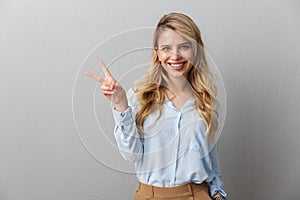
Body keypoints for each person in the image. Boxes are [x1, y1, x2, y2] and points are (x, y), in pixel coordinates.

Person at [86, 12, 227, 200]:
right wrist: (121, 106)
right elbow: (131, 154)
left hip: (198, 194)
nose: (175, 56)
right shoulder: (138, 97)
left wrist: (217, 193)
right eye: (166, 48)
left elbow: (211, 162)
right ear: (157, 52)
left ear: (196, 50)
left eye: (184, 46)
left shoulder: (204, 100)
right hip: (150, 195)